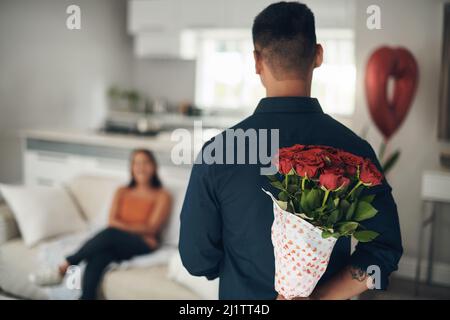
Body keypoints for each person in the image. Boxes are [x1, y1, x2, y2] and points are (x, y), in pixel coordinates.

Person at [179, 1, 402, 300]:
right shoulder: (356, 151)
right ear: (318, 55)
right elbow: (383, 251)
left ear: (257, 61)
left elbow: (196, 260)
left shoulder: (217, 152)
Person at [30, 149, 172, 300]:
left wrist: (120, 228)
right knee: (99, 256)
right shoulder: (122, 191)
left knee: (110, 233)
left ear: (154, 167)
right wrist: (126, 229)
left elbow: (151, 227)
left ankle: (65, 265)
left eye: (146, 162)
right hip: (117, 242)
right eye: (137, 163)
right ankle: (86, 297)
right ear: (131, 167)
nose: (141, 167)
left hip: (144, 243)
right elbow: (112, 221)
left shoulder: (162, 195)